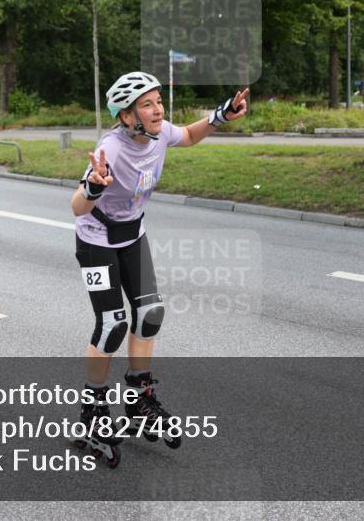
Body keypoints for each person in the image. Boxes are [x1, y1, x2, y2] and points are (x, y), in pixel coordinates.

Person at [70, 71, 248, 465]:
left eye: (158, 102)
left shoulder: (159, 131)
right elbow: (77, 207)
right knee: (112, 323)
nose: (157, 110)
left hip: (133, 236)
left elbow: (186, 134)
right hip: (96, 242)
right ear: (127, 115)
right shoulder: (111, 149)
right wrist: (94, 187)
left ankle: (138, 399)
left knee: (150, 313)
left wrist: (221, 116)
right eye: (147, 104)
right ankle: (92, 411)